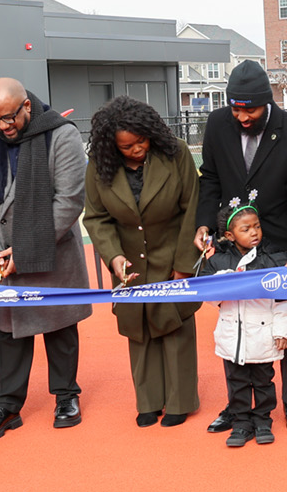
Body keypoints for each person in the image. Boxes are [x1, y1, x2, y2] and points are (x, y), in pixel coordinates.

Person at [0, 77, 93, 442]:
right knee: (6, 332)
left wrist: (27, 250)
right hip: (0, 254)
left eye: (10, 117)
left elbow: (69, 201)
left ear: (27, 107)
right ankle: (6, 405)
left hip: (50, 249)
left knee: (59, 326)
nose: (3, 126)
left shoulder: (61, 135)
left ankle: (66, 396)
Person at [193, 60, 287, 433]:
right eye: (236, 108)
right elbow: (210, 178)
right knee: (236, 318)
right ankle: (238, 406)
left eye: (250, 109)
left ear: (267, 102)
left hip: (278, 242)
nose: (242, 116)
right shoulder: (217, 124)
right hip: (231, 242)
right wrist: (203, 224)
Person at [83, 95, 201, 428]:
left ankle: (180, 401)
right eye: (127, 147)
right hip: (128, 261)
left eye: (141, 141)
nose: (137, 149)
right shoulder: (99, 164)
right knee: (139, 331)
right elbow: (96, 217)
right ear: (112, 146)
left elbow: (192, 208)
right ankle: (148, 401)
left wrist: (184, 264)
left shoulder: (175, 153)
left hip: (171, 253)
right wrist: (114, 256)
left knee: (175, 327)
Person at [201, 197, 287, 447]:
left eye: (256, 226)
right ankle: (241, 422)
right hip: (232, 337)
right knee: (237, 382)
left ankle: (263, 420)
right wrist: (227, 280)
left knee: (264, 381)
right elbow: (206, 293)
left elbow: (286, 300)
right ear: (230, 235)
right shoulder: (218, 262)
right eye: (245, 229)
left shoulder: (273, 259)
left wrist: (284, 332)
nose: (254, 232)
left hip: (264, 336)